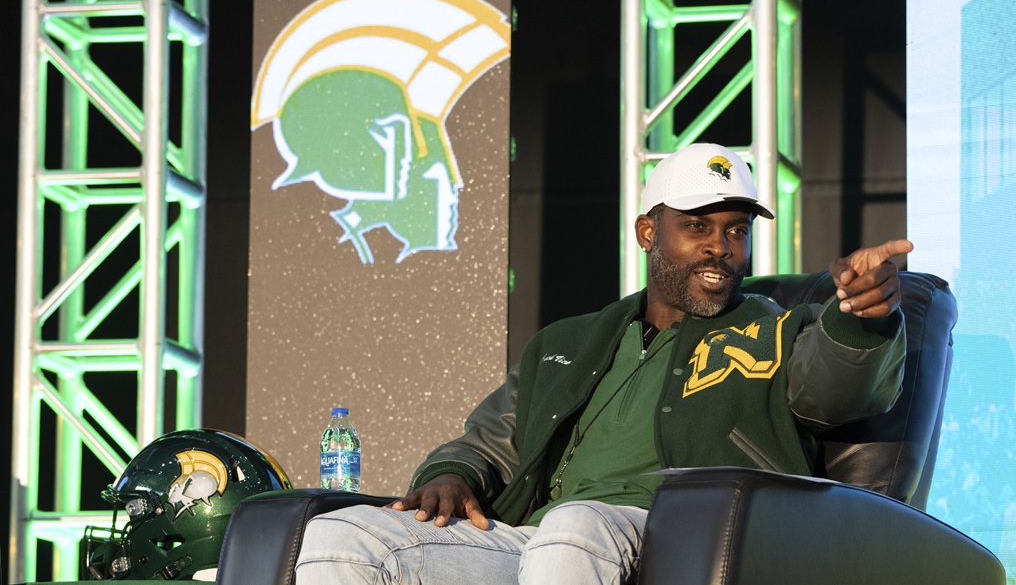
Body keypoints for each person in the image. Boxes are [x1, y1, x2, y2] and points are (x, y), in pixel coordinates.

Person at [294, 142, 912, 584]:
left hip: (669, 539)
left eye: (736, 230)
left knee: (574, 527)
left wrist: (861, 316)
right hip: (534, 542)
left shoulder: (777, 329)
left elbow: (838, 391)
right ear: (648, 233)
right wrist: (451, 473)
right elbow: (490, 442)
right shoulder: (569, 342)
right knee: (343, 536)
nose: (720, 247)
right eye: (697, 226)